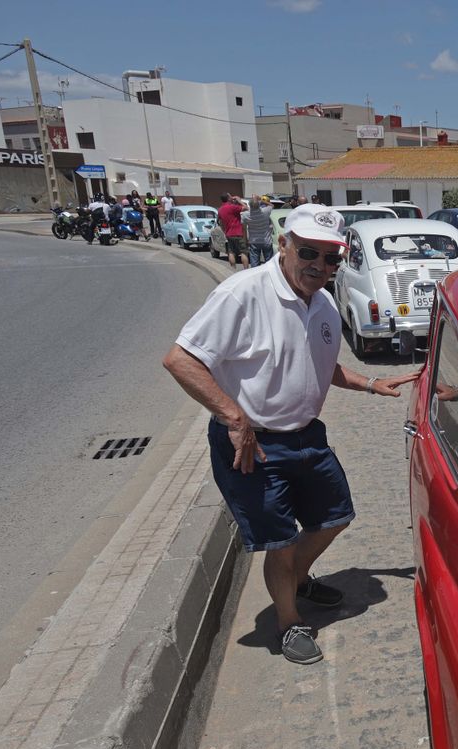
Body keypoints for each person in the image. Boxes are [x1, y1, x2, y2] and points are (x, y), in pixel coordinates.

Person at [162, 205, 419, 664]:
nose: (319, 266)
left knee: (336, 515)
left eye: (331, 258)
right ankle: (288, 622)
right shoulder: (242, 293)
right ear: (284, 245)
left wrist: (369, 383)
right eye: (308, 253)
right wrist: (234, 420)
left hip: (306, 436)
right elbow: (181, 360)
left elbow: (319, 364)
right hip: (253, 444)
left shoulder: (322, 302)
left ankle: (297, 577)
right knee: (279, 541)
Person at [217, 193, 247, 269]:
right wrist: (239, 200)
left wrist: (224, 231)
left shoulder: (220, 209)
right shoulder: (232, 207)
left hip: (229, 234)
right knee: (243, 252)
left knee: (231, 252)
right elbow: (246, 208)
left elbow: (220, 222)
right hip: (238, 233)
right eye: (230, 196)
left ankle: (233, 269)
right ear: (228, 198)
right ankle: (246, 270)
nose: (232, 197)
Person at [244, 196, 274, 267]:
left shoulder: (246, 215)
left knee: (254, 263)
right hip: (266, 240)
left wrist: (245, 240)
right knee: (269, 263)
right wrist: (261, 200)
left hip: (254, 241)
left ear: (250, 206)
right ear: (259, 204)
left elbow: (244, 229)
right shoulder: (265, 212)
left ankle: (256, 276)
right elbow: (271, 205)